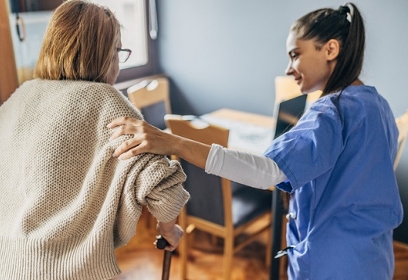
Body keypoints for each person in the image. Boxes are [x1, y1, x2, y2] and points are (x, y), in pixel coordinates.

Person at [108, 2, 403, 279]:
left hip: (332, 262)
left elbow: (267, 171)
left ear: (330, 49)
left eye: (295, 54)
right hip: (373, 259)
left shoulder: (331, 112)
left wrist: (174, 143)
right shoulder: (378, 105)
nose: (289, 68)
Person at [0, 1, 189, 279]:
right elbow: (164, 187)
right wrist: (169, 229)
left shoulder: (25, 94)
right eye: (118, 52)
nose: (118, 65)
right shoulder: (106, 102)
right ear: (103, 55)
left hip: (5, 270)